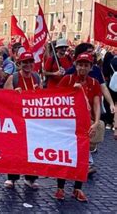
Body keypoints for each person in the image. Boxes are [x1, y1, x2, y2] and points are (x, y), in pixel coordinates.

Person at [55, 53, 101, 202]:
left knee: (82, 158)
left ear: (90, 67)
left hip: (84, 125)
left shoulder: (94, 83)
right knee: (64, 156)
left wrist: (96, 122)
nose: (83, 67)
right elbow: (56, 99)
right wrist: (73, 91)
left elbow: (96, 104)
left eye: (86, 65)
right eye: (80, 64)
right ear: (76, 65)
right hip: (67, 125)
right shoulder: (67, 79)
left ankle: (77, 188)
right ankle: (60, 187)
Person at [3, 51, 41, 189]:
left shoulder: (36, 78)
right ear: (19, 64)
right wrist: (14, 94)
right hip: (16, 119)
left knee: (32, 149)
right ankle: (12, 178)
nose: (28, 65)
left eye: (30, 62)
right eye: (25, 62)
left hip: (32, 121)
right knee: (15, 149)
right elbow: (4, 99)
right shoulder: (13, 78)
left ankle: (31, 178)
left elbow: (43, 98)